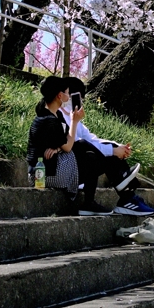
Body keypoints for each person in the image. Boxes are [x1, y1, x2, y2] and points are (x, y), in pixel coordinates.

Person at [60, 77, 154, 217]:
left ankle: (127, 197)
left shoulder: (73, 117)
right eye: (78, 96)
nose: (81, 101)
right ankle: (124, 187)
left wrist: (117, 146)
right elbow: (78, 144)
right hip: (65, 170)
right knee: (93, 152)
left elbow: (92, 138)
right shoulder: (59, 116)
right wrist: (112, 151)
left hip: (78, 166)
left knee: (105, 150)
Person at [26, 77, 94, 213]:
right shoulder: (50, 121)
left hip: (42, 171)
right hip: (44, 176)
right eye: (67, 93)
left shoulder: (52, 115)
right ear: (59, 95)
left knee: (84, 150)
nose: (69, 96)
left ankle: (90, 201)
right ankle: (89, 202)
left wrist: (57, 148)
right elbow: (68, 146)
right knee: (87, 155)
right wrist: (74, 122)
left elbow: (63, 143)